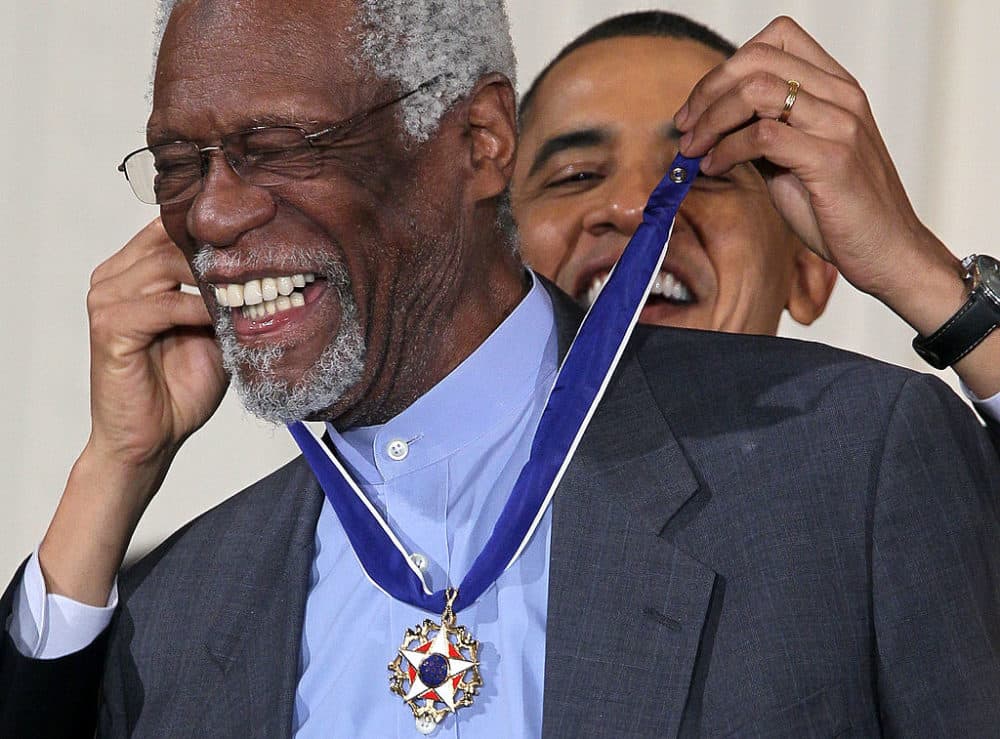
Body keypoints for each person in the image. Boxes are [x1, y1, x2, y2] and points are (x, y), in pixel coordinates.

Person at [1, 2, 998, 737]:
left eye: (281, 146)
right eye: (181, 163)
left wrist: (940, 291)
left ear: (475, 141)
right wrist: (112, 467)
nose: (212, 215)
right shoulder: (170, 601)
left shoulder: (857, 463)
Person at [512, 11, 1000, 434]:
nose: (636, 206)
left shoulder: (887, 460)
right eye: (576, 176)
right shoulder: (439, 486)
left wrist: (916, 270)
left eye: (697, 175)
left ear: (808, 271)